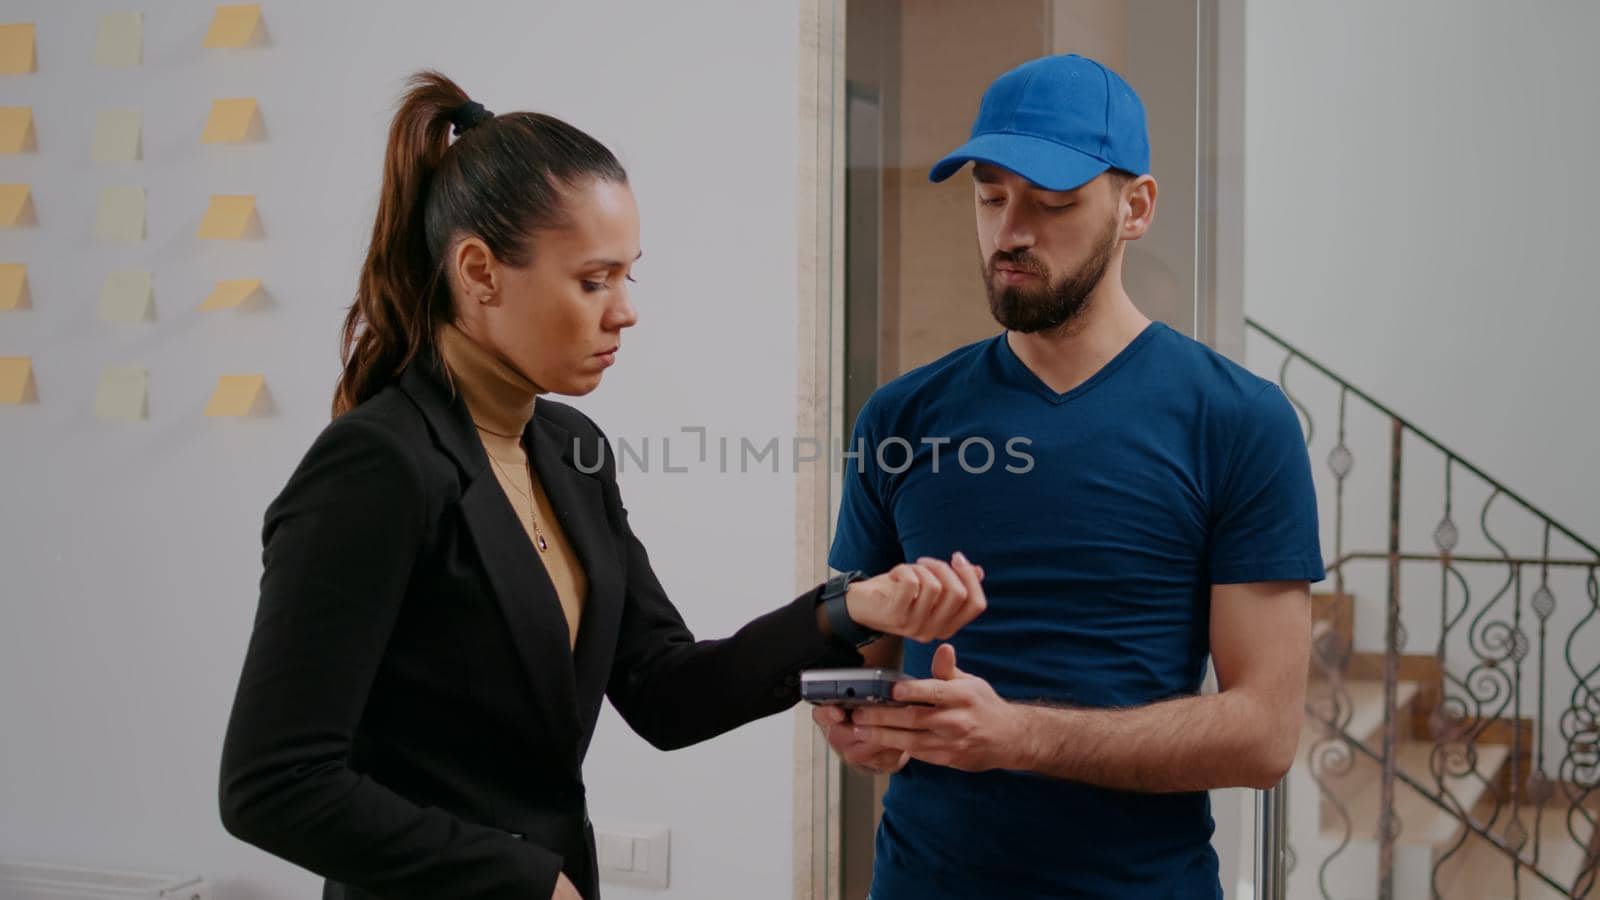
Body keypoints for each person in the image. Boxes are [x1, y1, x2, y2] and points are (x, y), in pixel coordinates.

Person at [217, 71, 988, 900]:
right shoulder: (377, 465)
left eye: (630, 276)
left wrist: (851, 609)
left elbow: (666, 691)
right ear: (479, 271)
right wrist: (522, 882)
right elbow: (275, 785)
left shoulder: (569, 450)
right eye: (593, 281)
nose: (625, 311)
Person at [814, 53, 1323, 899]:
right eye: (990, 196)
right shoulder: (900, 418)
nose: (1011, 231)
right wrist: (858, 719)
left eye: (1051, 203)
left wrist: (1016, 736)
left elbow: (1264, 736)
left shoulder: (1236, 421)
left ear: (1136, 208)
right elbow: (861, 660)